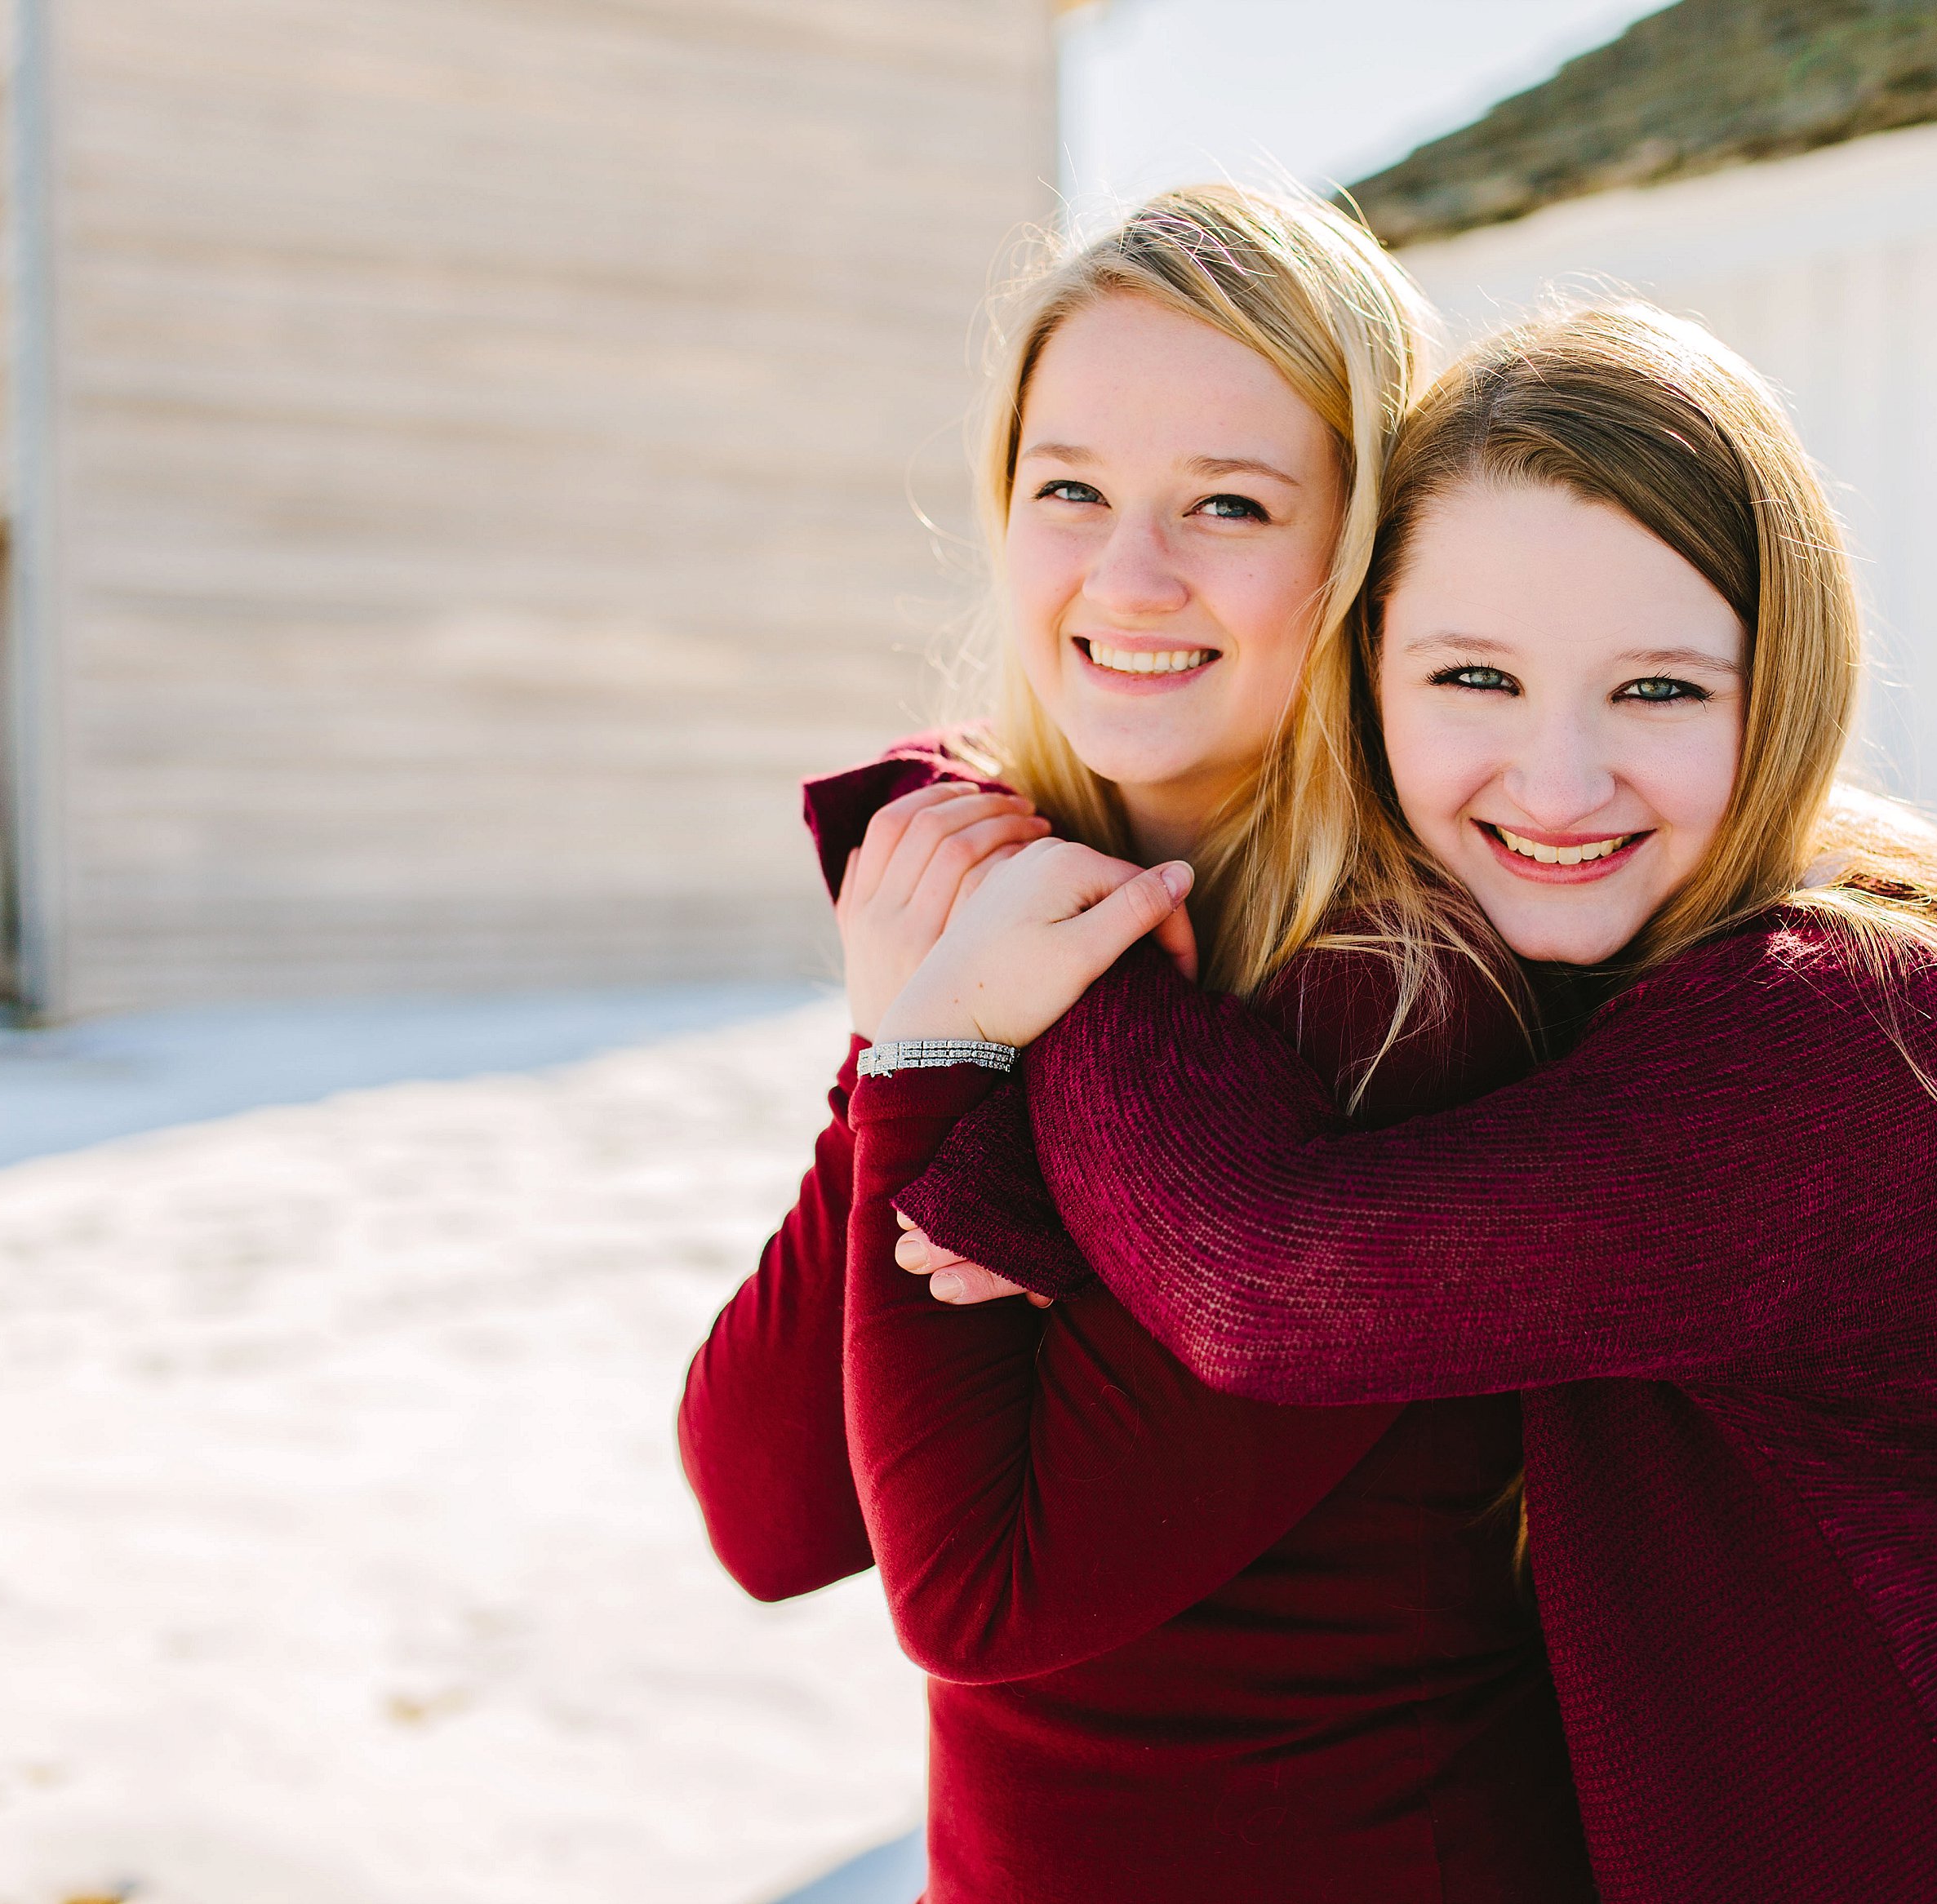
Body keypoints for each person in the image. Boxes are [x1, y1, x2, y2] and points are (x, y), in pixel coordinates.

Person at [877, 303, 1937, 1903]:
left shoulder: (1853, 1029)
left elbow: (1265, 1276)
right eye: (1475, 676)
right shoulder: (1582, 981)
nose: (1557, 783)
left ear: (1784, 683)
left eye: (1658, 692)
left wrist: (1060, 929)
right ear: (1364, 673)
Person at [678, 184, 1595, 1900]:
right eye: (1071, 489)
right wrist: (899, 1045)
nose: (1130, 575)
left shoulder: (1408, 1009)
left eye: (1228, 503)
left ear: (1367, 551)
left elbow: (984, 1598)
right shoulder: (989, 879)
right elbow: (769, 1512)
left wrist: (936, 1055)